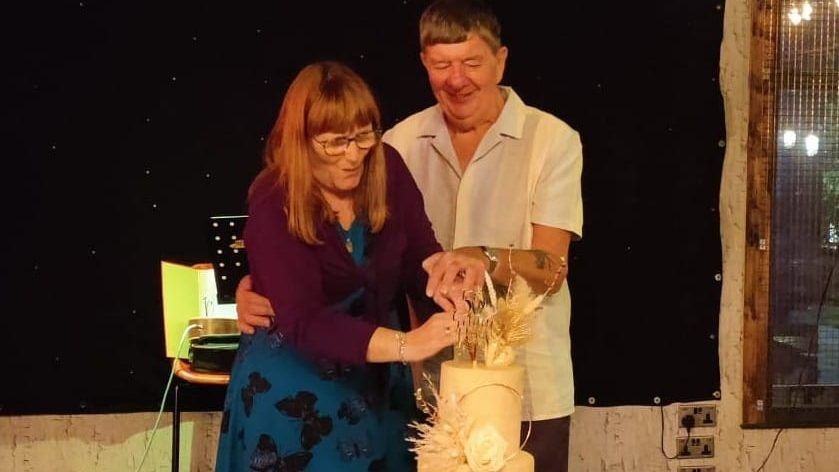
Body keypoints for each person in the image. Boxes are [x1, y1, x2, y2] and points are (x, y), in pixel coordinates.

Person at [236, 1, 584, 470]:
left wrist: (457, 269)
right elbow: (303, 308)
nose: (353, 155)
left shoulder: (547, 140)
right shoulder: (397, 142)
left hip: (500, 382)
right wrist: (256, 285)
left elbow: (427, 259)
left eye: (362, 137)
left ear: (501, 60)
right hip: (317, 398)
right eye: (442, 65)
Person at [214, 60, 485, 472]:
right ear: (300, 141)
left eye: (363, 137)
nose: (353, 155)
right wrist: (408, 345)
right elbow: (304, 321)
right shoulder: (275, 198)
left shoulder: (388, 166)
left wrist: (445, 277)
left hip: (376, 391)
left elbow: (419, 257)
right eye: (334, 143)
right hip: (296, 396)